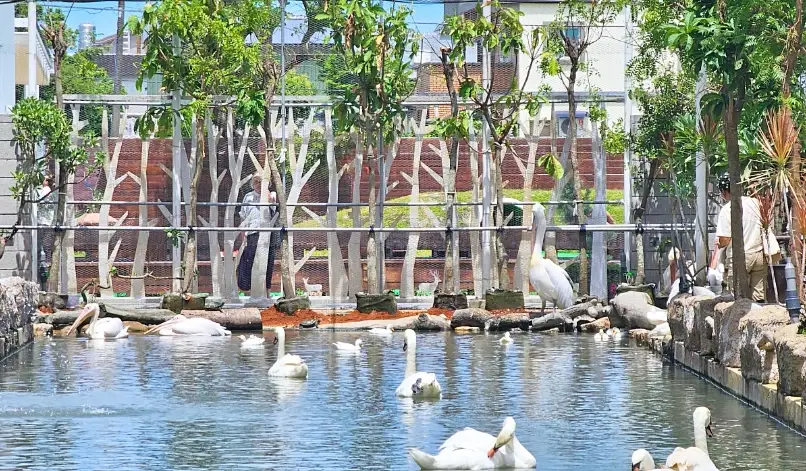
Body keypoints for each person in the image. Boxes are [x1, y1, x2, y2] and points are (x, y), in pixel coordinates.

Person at [714, 173, 777, 302]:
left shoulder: (727, 210)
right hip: (759, 254)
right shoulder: (755, 203)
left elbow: (726, 239)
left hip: (739, 257)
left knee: (737, 296)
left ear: (724, 192)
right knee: (759, 296)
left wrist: (719, 243)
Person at [236, 174, 279, 295]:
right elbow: (243, 216)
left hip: (267, 233)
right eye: (256, 182)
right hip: (252, 233)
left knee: (267, 261)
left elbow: (273, 208)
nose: (258, 184)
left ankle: (267, 292)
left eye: (261, 181)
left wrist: (266, 192)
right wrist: (243, 235)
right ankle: (248, 291)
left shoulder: (271, 194)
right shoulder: (248, 196)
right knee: (250, 260)